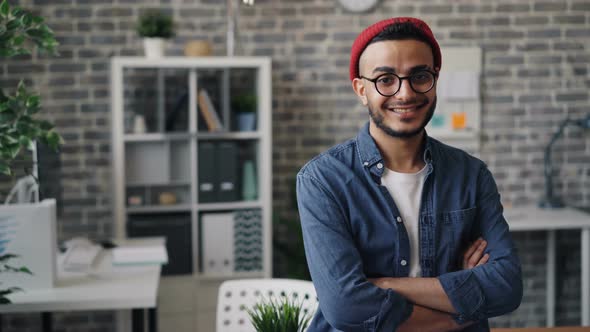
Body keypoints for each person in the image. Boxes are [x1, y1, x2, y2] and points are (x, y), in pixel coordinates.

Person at [296, 17, 523, 332]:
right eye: (385, 79)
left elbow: (506, 286)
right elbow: (345, 307)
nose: (405, 93)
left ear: (434, 79)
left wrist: (387, 284)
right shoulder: (323, 179)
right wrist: (462, 308)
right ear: (361, 90)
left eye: (419, 76)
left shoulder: (472, 175)